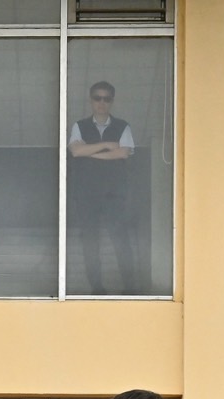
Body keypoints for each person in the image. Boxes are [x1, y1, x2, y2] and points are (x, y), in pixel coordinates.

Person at [67, 81, 140, 296]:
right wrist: (107, 145)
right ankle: (97, 288)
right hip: (86, 194)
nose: (101, 102)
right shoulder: (79, 125)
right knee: (90, 241)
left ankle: (130, 288)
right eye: (97, 98)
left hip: (114, 193)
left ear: (112, 101)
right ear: (91, 100)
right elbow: (76, 152)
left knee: (120, 239)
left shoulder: (123, 126)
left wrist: (90, 153)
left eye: (106, 98)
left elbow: (123, 153)